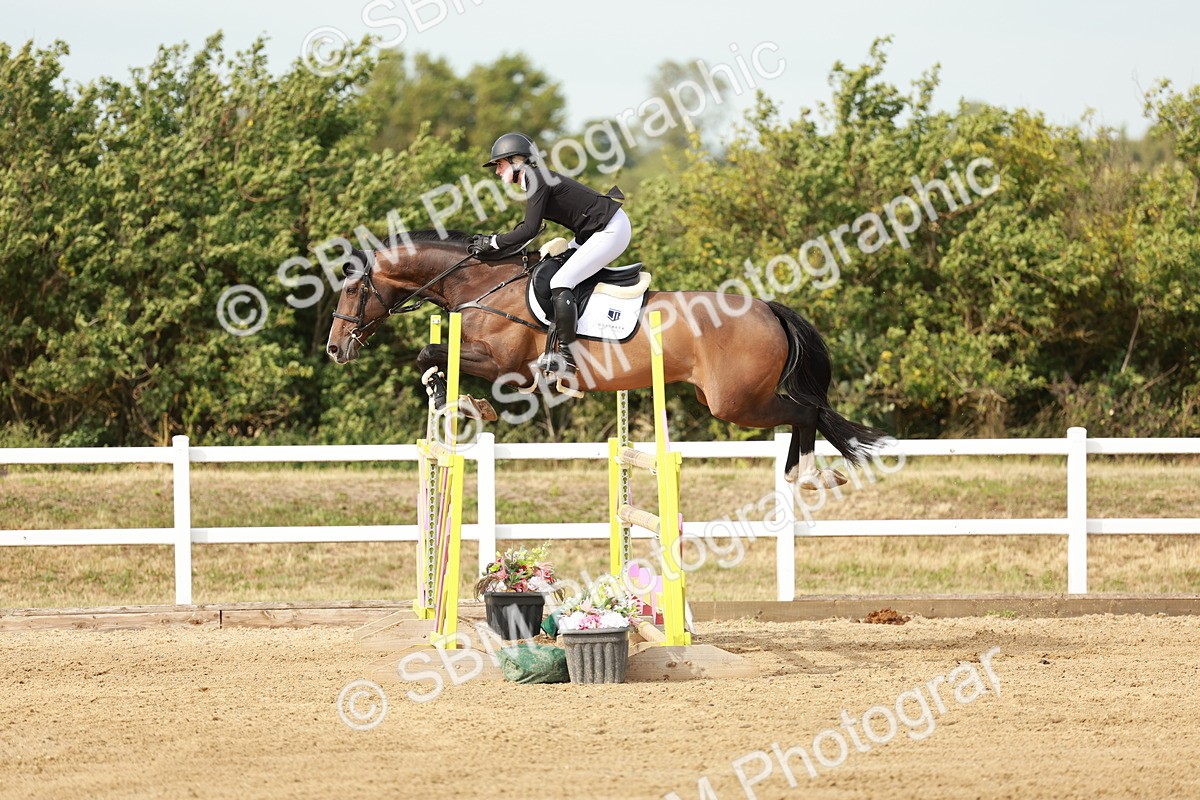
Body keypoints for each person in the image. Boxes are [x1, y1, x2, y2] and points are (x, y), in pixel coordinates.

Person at [468, 132, 630, 382]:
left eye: (499, 164)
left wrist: (493, 242)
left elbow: (529, 230)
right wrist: (497, 244)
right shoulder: (535, 178)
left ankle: (567, 357)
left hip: (610, 229)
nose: (497, 171)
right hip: (592, 233)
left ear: (516, 161)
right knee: (551, 268)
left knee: (560, 282)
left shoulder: (535, 177)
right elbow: (529, 230)